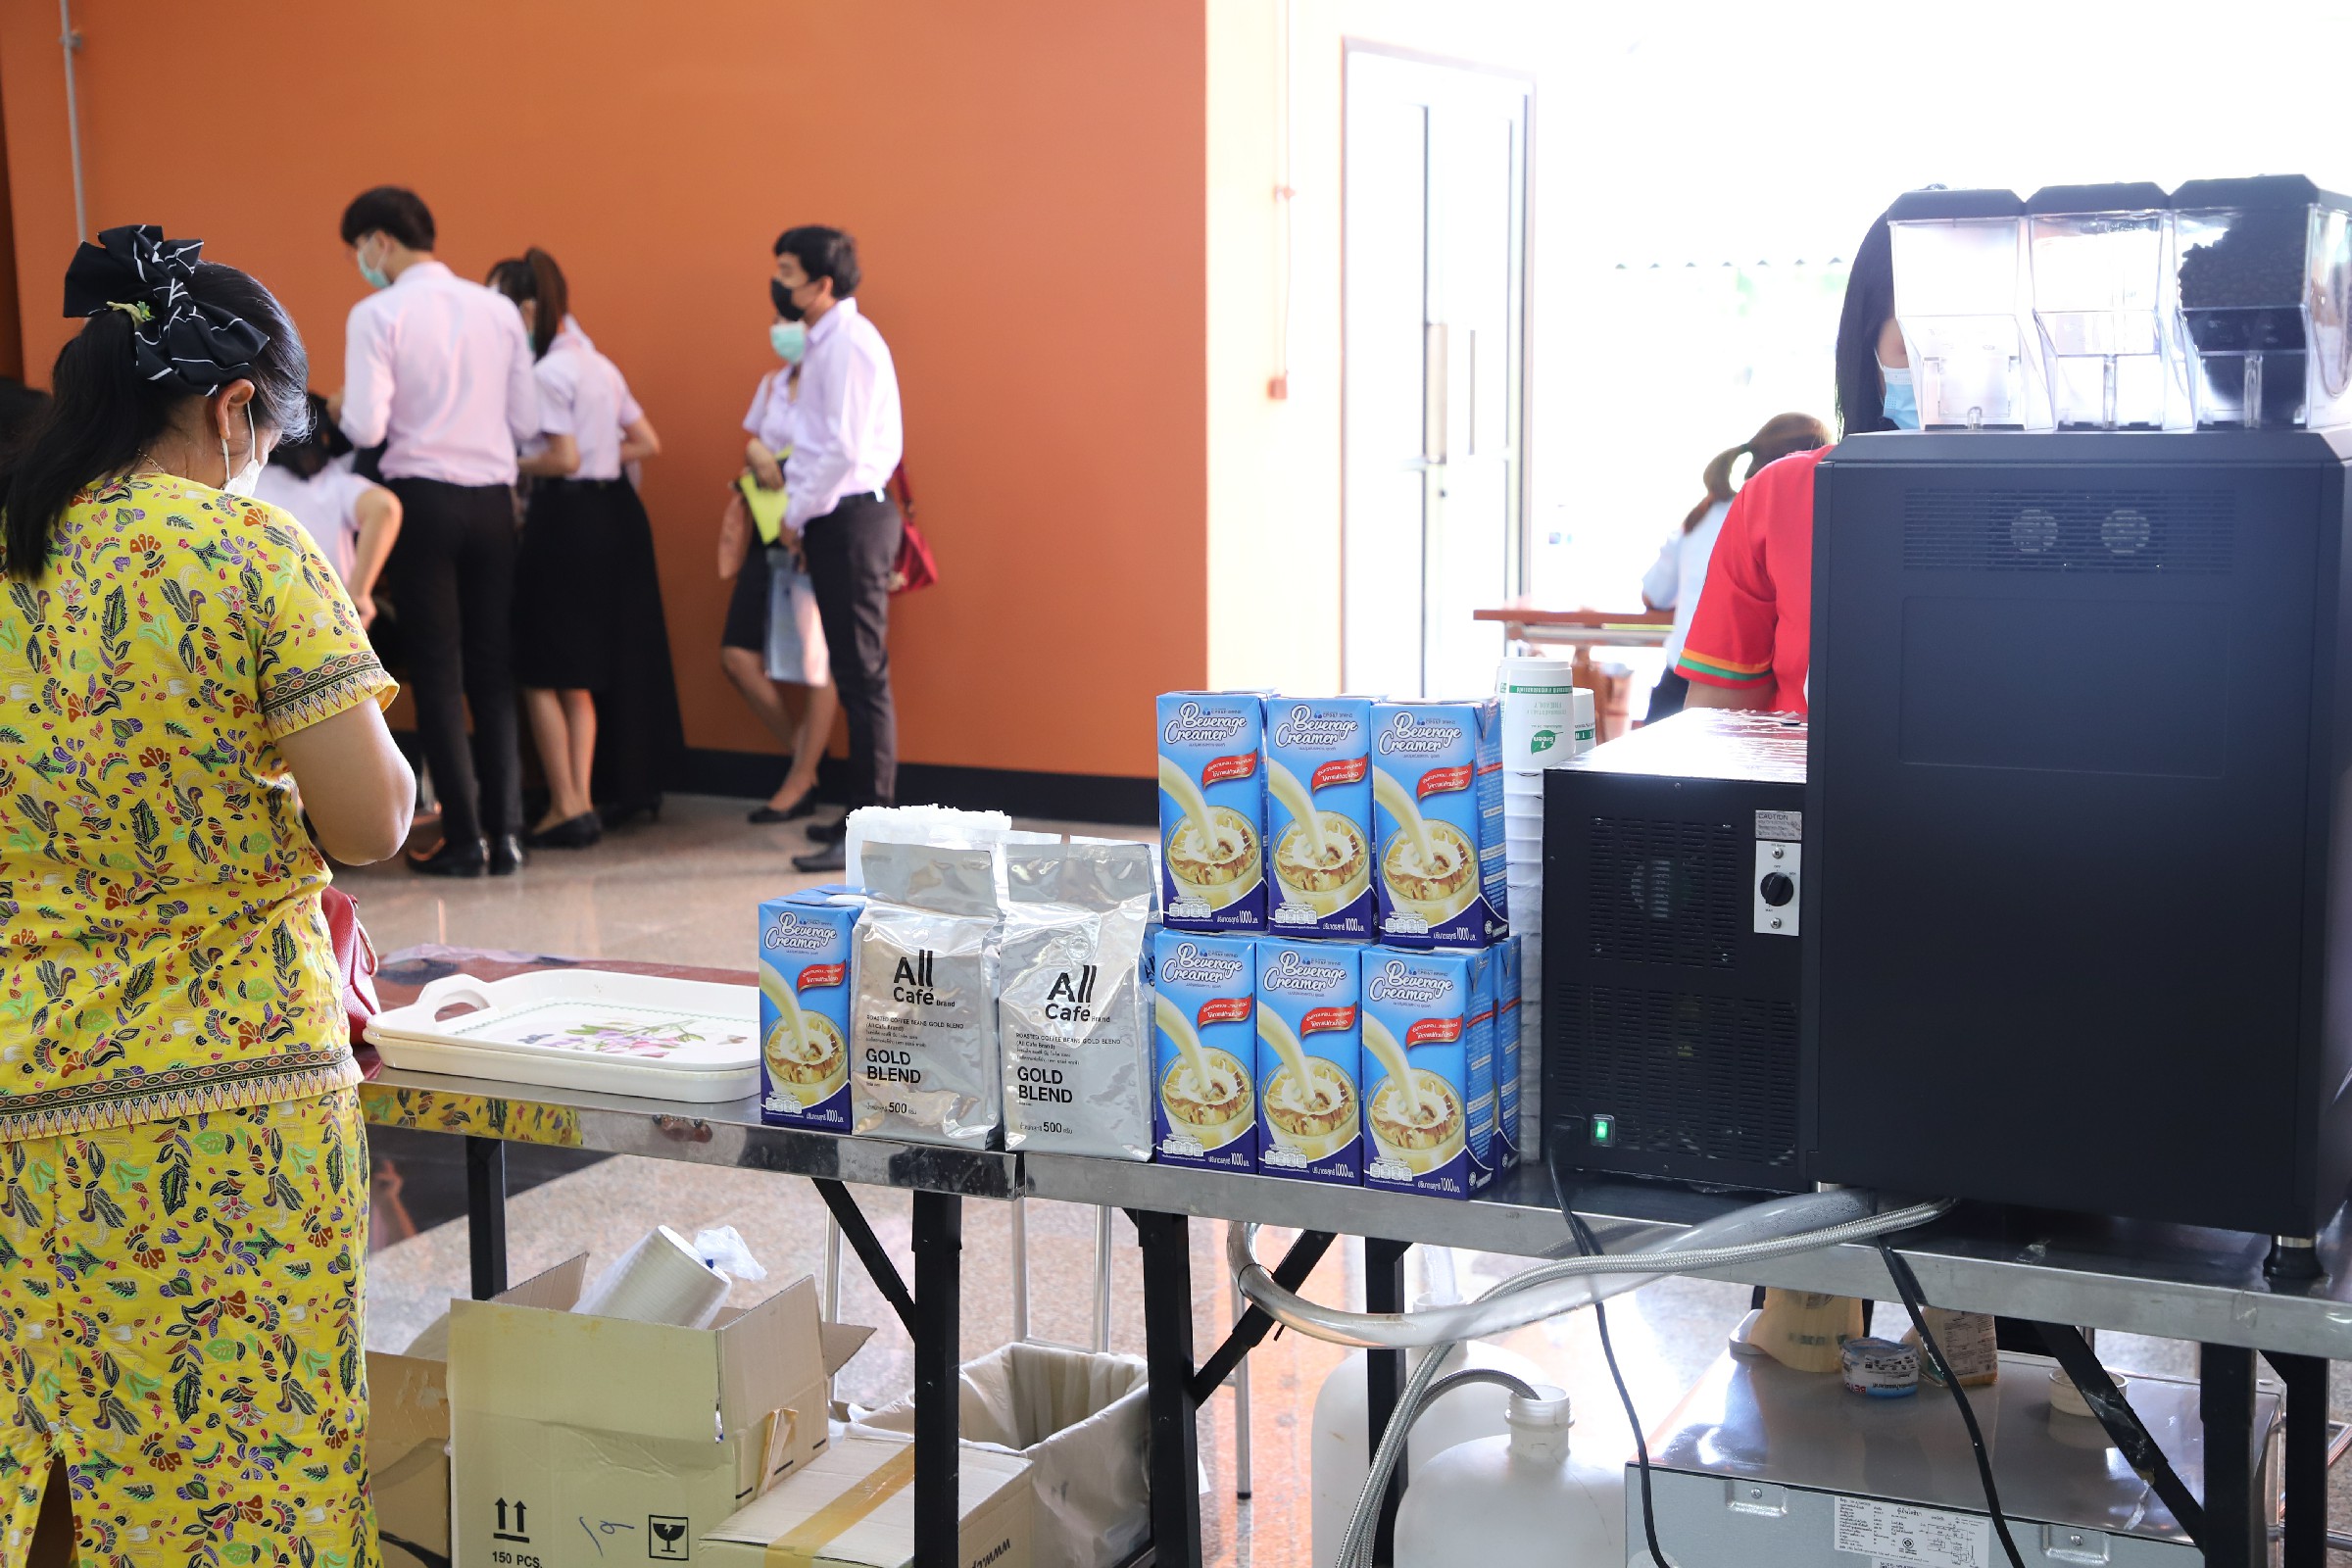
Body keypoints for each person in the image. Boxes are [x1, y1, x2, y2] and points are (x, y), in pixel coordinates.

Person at [0, 225, 412, 1566]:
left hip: (26, 1092)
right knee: (251, 1462)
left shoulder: (13, 555)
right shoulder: (247, 552)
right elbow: (373, 821)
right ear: (235, 408)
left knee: (50, 1461)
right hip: (236, 1104)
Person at [337, 185, 540, 875]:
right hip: (493, 503)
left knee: (437, 670)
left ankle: (464, 839)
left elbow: (366, 425)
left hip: (421, 500)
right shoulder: (498, 310)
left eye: (359, 248)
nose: (362, 262)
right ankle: (507, 836)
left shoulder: (377, 312)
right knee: (493, 669)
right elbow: (526, 421)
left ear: (380, 241)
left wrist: (344, 405)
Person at [1679, 208, 1910, 714]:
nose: (1951, 380)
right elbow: (1717, 721)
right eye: (1916, 348)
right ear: (1867, 346)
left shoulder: (2075, 502)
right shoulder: (1780, 497)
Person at [487, 248, 680, 846]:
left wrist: (505, 463)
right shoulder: (597, 364)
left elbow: (564, 458)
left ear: (525, 309)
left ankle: (566, 803)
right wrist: (601, 457)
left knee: (542, 669)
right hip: (611, 515)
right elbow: (646, 442)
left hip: (563, 521)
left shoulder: (547, 373)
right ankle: (583, 802)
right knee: (579, 671)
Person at [770, 225, 904, 873]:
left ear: (823, 283)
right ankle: (859, 814)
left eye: (788, 273)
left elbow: (845, 450)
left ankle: (871, 835)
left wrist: (795, 513)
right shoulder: (823, 343)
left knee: (862, 676)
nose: (778, 285)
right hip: (835, 517)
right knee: (851, 674)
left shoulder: (847, 343)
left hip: (850, 516)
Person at [719, 291, 839, 826]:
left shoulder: (830, 381)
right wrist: (755, 452)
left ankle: (800, 778)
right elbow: (754, 440)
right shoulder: (772, 383)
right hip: (768, 530)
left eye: (791, 319)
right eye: (777, 320)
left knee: (817, 659)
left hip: (812, 528)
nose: (781, 329)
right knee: (737, 655)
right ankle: (805, 756)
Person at [1642, 413, 1829, 719]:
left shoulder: (1701, 516)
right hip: (1721, 689)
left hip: (1686, 677)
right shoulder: (1779, 507)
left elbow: (1653, 594)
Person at [256, 390, 404, 624]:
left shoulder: (246, 481)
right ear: (323, 436)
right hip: (329, 618)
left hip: (261, 613)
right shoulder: (333, 480)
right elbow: (385, 508)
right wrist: (359, 593)